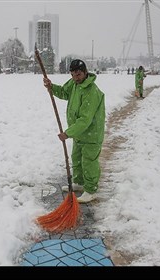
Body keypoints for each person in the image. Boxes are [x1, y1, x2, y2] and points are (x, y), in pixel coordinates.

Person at [43, 59, 106, 203]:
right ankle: (79, 183)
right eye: (72, 74)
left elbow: (85, 119)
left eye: (78, 74)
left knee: (89, 161)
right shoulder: (74, 84)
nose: (75, 78)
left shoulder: (92, 91)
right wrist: (51, 87)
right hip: (79, 133)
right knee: (76, 159)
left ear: (85, 72)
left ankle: (90, 190)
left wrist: (68, 133)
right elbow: (64, 92)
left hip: (91, 134)